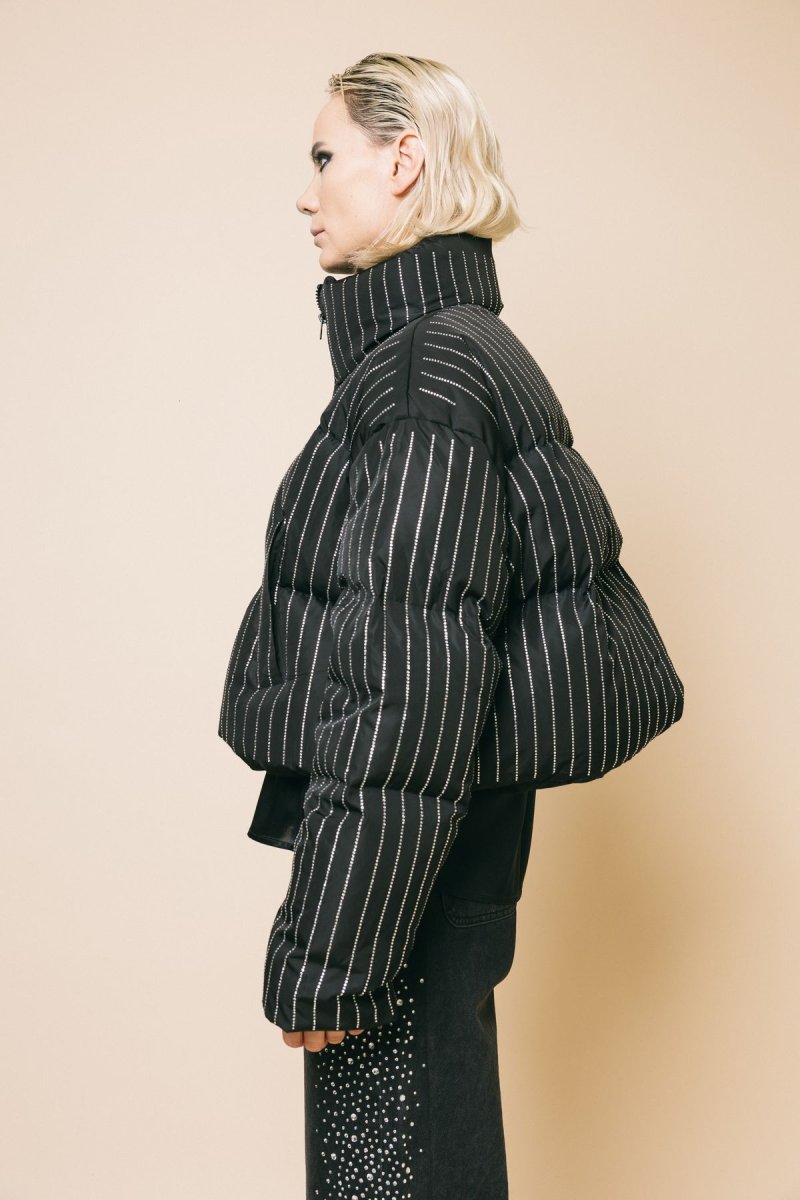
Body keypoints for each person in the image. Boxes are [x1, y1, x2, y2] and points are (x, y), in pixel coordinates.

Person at [217, 52, 684, 1200]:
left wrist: (331, 956)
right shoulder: (447, 351)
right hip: (426, 874)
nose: (304, 192)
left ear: (404, 161)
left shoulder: (422, 375)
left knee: (387, 1181)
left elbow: (408, 693)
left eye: (325, 156)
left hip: (398, 893)